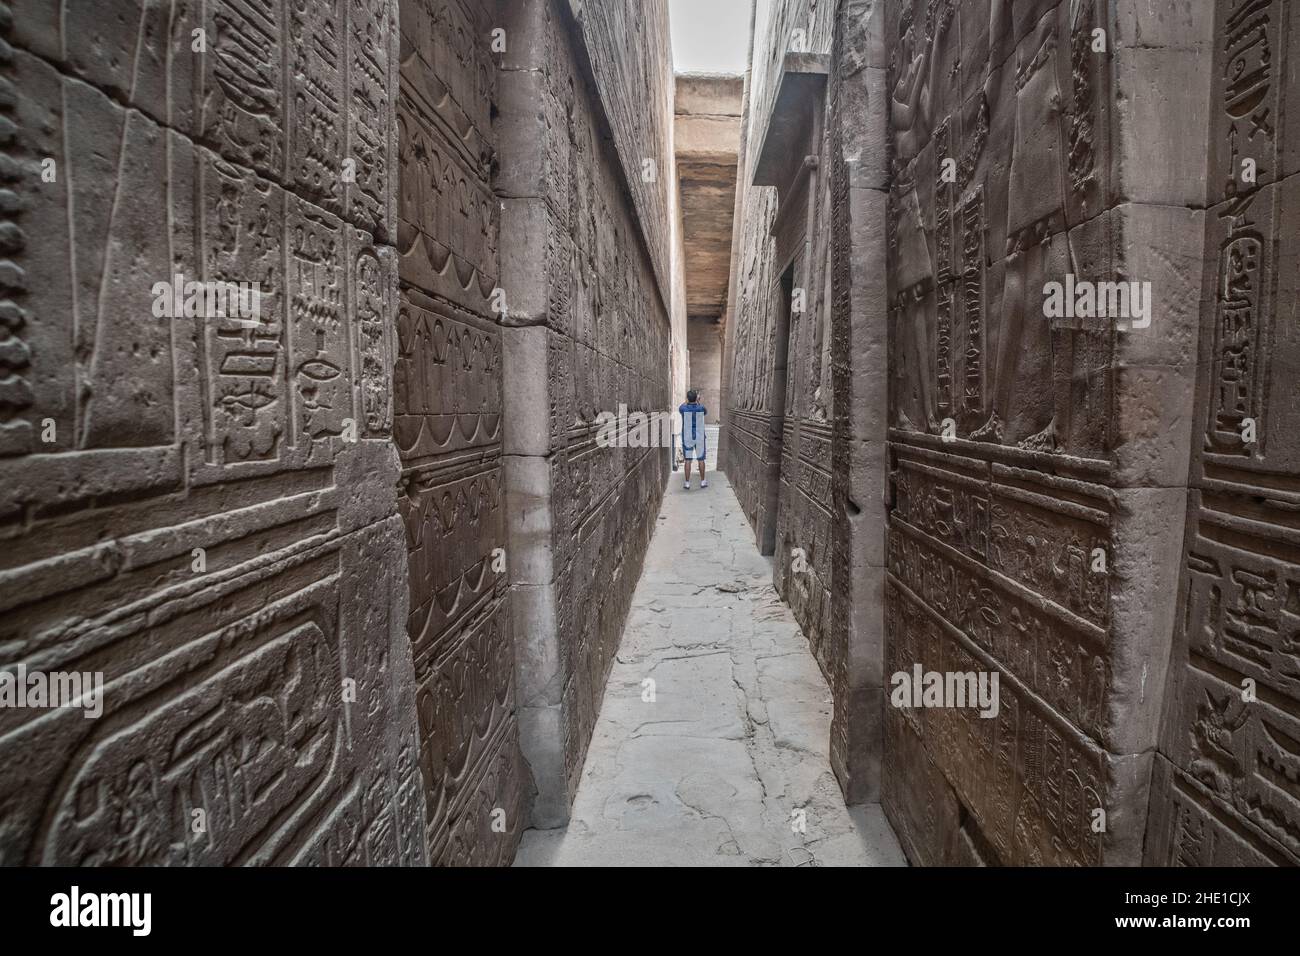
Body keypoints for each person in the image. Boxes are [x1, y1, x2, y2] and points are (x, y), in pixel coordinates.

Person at [679, 389, 708, 489]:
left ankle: (687, 482)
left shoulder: (683, 409)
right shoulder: (701, 408)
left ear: (687, 398)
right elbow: (704, 411)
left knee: (688, 460)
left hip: (687, 437)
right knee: (701, 459)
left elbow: (682, 406)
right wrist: (698, 401)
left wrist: (688, 400)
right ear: (696, 398)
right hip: (699, 437)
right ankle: (703, 481)